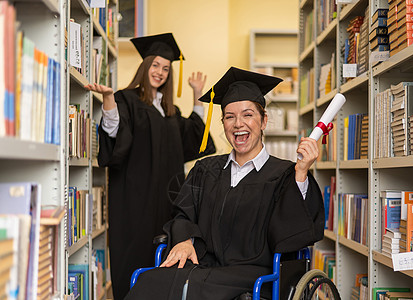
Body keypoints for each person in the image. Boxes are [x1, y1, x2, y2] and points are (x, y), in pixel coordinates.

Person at [125, 67, 324, 300]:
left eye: (248, 114)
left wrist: (300, 173)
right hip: (202, 265)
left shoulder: (283, 175)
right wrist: (186, 240)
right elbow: (182, 215)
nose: (238, 124)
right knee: (148, 281)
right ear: (223, 123)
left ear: (264, 121)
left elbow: (292, 232)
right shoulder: (205, 170)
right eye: (230, 116)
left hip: (252, 275)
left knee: (192, 289)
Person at [84, 33, 216, 300]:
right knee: (134, 255)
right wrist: (109, 101)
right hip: (135, 202)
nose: (160, 72)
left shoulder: (170, 112)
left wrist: (197, 94)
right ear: (145, 66)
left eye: (166, 68)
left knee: (165, 257)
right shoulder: (128, 100)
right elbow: (115, 135)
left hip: (167, 202)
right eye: (155, 65)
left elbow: (192, 139)